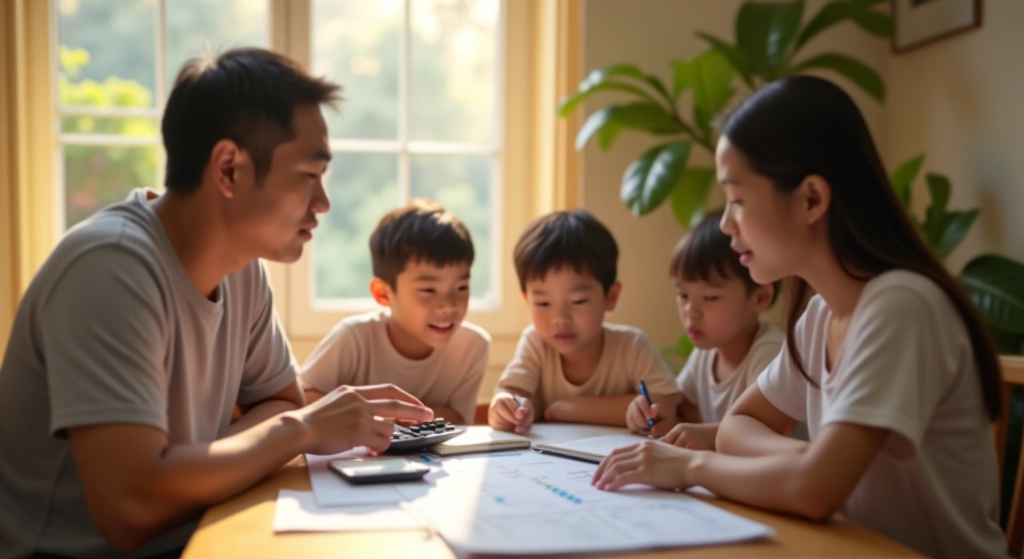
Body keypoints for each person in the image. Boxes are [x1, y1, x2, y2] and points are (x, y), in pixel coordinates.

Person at [0, 48, 433, 559]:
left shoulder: (243, 268)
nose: (323, 203)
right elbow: (130, 511)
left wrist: (179, 465)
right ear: (228, 169)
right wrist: (302, 430)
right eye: (309, 175)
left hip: (191, 535)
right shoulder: (109, 268)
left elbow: (279, 403)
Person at [592, 75, 1006, 558]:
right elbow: (736, 426)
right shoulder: (819, 317)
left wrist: (689, 467)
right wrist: (810, 459)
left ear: (811, 198)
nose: (726, 223)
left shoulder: (900, 306)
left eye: (738, 199)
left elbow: (813, 492)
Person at [299, 199, 490, 425]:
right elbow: (305, 400)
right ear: (383, 293)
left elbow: (457, 419)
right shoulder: (353, 338)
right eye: (428, 290)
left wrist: (376, 414)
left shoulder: (473, 346)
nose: (448, 305)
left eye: (461, 288)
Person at [488, 209, 678, 433]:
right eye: (542, 303)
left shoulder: (632, 346)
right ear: (526, 300)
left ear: (610, 296)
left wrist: (569, 409)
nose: (560, 319)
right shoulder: (535, 343)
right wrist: (506, 409)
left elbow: (665, 408)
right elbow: (509, 393)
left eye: (578, 301)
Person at [625, 212, 782, 447]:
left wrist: (706, 436)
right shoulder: (707, 352)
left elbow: (764, 435)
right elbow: (681, 408)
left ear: (760, 298)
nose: (691, 311)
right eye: (683, 295)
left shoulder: (771, 353)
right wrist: (651, 412)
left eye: (709, 297)